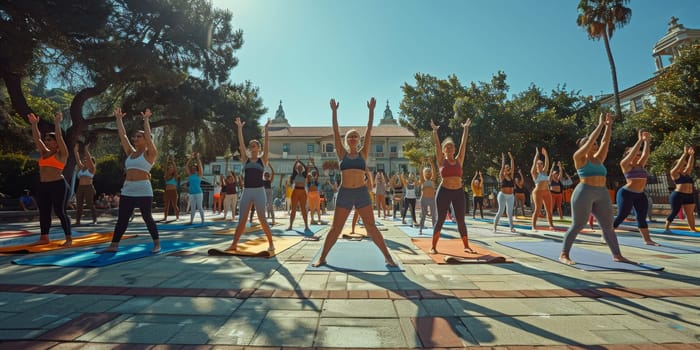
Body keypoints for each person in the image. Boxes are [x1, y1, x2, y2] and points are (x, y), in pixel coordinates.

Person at [312, 98, 396, 267]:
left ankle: (388, 257)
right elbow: (336, 132)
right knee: (336, 228)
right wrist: (334, 112)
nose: (352, 138)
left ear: (358, 140)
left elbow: (370, 130)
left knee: (371, 227)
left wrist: (371, 111)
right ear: (346, 140)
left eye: (355, 136)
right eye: (350, 136)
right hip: (345, 194)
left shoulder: (363, 153)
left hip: (361, 193)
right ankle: (322, 257)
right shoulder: (341, 153)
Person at [560, 113, 634, 265]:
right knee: (578, 224)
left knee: (608, 226)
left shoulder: (599, 158)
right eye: (593, 143)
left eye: (595, 143)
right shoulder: (579, 157)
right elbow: (589, 143)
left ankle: (617, 255)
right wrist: (600, 125)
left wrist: (608, 126)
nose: (595, 145)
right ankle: (564, 254)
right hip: (584, 192)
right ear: (584, 146)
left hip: (601, 193)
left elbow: (606, 141)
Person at [99, 108, 159, 253]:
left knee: (147, 217)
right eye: (135, 137)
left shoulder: (150, 154)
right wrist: (119, 119)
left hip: (143, 188)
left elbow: (150, 139)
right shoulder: (130, 153)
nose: (135, 138)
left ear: (145, 140)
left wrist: (146, 120)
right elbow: (123, 136)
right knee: (122, 218)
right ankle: (114, 245)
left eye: (139, 137)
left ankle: (157, 244)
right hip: (128, 188)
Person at [225, 118, 275, 252]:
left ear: (258, 148)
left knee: (262, 219)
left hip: (259, 191)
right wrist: (239, 128)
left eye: (254, 145)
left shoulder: (262, 160)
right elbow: (241, 144)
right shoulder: (245, 160)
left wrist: (266, 129)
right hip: (247, 191)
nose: (251, 147)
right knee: (242, 219)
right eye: (250, 145)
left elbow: (267, 144)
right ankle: (234, 244)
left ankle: (271, 243)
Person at [429, 112, 475, 254]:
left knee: (461, 220)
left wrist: (466, 129)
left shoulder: (459, 159)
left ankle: (466, 246)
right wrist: (435, 132)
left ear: (454, 149)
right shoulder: (441, 160)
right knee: (440, 219)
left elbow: (463, 144)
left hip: (458, 192)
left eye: (451, 147)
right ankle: (433, 246)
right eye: (446, 148)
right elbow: (437, 146)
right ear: (443, 151)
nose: (449, 149)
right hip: (444, 191)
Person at [28, 112, 73, 246]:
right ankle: (44, 237)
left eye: (49, 139)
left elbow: (59, 137)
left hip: (58, 184)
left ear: (57, 143)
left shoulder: (62, 154)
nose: (47, 141)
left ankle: (69, 238)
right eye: (46, 139)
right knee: (44, 211)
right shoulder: (44, 153)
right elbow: (37, 139)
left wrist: (57, 123)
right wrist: (34, 125)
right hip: (43, 185)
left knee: (60, 211)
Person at [612, 130, 658, 245]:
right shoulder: (625, 165)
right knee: (622, 215)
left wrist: (647, 141)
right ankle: (607, 233)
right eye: (635, 154)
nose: (638, 156)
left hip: (640, 194)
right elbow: (634, 152)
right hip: (626, 193)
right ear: (628, 155)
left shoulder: (640, 165)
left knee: (642, 217)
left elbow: (646, 154)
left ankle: (647, 240)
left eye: (639, 154)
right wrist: (639, 141)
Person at [665, 146, 697, 232]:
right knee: (675, 211)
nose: (685, 166)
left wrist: (691, 155)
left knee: (690, 213)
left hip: (689, 195)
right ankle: (667, 227)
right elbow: (680, 164)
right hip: (678, 195)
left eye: (685, 165)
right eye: (683, 164)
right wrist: (684, 154)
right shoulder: (674, 173)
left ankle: (692, 228)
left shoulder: (686, 173)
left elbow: (690, 165)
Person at [73, 143, 98, 225]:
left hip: (88, 187)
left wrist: (86, 150)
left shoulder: (92, 169)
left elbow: (89, 159)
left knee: (90, 204)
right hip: (80, 187)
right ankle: (78, 220)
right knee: (79, 204)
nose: (84, 160)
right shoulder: (81, 168)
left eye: (86, 160)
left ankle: (95, 220)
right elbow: (77, 160)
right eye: (84, 159)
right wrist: (75, 151)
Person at [531, 147, 554, 231]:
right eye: (538, 164)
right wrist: (537, 155)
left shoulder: (544, 172)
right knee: (538, 209)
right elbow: (534, 165)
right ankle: (533, 226)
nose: (540, 165)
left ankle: (551, 225)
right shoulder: (534, 173)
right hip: (538, 192)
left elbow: (547, 163)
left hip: (547, 192)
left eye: (541, 163)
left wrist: (546, 154)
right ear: (536, 166)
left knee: (549, 209)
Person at [494, 152, 516, 232]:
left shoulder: (511, 176)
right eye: (506, 167)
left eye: (508, 167)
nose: (508, 168)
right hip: (502, 195)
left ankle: (511, 227)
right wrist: (503, 160)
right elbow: (502, 167)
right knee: (500, 211)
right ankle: (495, 227)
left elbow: (513, 166)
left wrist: (511, 158)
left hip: (510, 196)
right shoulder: (501, 176)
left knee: (510, 212)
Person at [349, 167, 374, 234]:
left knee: (366, 217)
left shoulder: (367, 182)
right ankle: (353, 230)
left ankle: (368, 232)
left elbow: (370, 188)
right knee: (356, 215)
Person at [287, 158, 310, 231]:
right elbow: (293, 168)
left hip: (302, 191)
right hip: (295, 191)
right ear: (297, 168)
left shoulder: (304, 174)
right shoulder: (295, 174)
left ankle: (306, 226)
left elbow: (306, 168)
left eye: (301, 167)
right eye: (298, 167)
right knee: (293, 209)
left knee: (303, 209)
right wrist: (296, 162)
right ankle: (290, 226)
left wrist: (300, 161)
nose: (300, 168)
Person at [418, 157, 437, 234]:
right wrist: (422, 164)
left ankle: (435, 229)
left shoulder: (433, 180)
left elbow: (435, 172)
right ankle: (420, 229)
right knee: (423, 215)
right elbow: (420, 173)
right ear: (424, 173)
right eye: (427, 172)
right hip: (424, 199)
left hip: (432, 199)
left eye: (429, 172)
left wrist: (432, 163)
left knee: (433, 215)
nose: (428, 173)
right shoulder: (422, 181)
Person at [185, 152, 205, 225]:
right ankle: (191, 221)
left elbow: (200, 166)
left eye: (194, 168)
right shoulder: (190, 175)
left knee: (199, 207)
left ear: (196, 169)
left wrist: (197, 158)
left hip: (198, 193)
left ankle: (203, 221)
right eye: (192, 168)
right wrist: (191, 158)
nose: (193, 169)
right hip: (191, 193)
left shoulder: (199, 174)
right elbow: (186, 166)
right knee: (192, 208)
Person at [162, 155, 180, 221]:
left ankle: (177, 217)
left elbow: (176, 169)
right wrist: (167, 161)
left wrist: (172, 161)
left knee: (174, 205)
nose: (170, 168)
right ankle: (165, 217)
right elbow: (165, 168)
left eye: (172, 168)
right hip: (167, 191)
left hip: (173, 191)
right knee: (166, 206)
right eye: (169, 168)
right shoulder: (166, 175)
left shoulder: (175, 176)